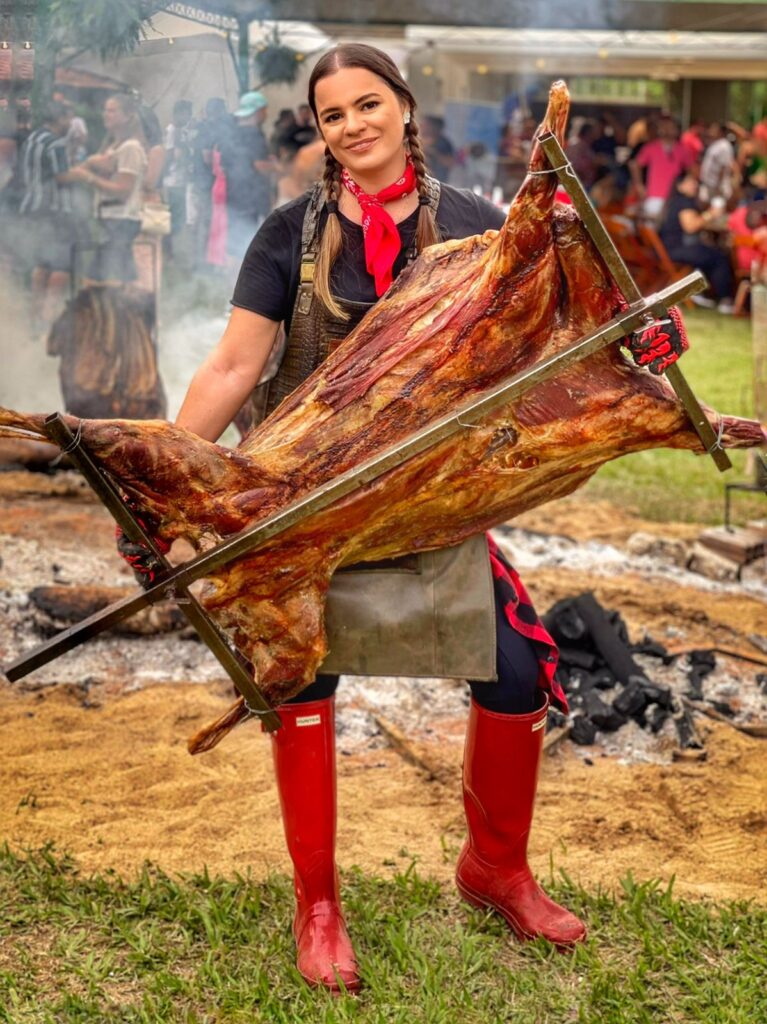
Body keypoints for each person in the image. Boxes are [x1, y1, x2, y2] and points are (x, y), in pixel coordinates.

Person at [119, 44, 681, 994]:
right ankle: (317, 904)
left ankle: (494, 869)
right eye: (332, 115)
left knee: (513, 673)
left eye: (367, 104)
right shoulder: (287, 236)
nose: (352, 126)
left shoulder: (472, 222)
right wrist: (173, 491)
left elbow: (564, 336)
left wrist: (643, 346)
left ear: (404, 106)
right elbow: (231, 368)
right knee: (299, 684)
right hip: (308, 511)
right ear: (322, 130)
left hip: (432, 504)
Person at [69, 93, 147, 284]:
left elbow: (122, 190)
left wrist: (88, 177)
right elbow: (78, 169)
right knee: (122, 277)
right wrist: (90, 163)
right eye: (105, 109)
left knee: (97, 278)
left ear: (127, 116)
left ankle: (111, 311)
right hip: (112, 219)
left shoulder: (131, 148)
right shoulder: (113, 146)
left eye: (112, 110)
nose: (106, 114)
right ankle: (126, 310)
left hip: (122, 219)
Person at [18, 99, 81, 331]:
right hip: (56, 212)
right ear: (60, 119)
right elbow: (62, 176)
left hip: (34, 209)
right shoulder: (55, 144)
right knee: (60, 267)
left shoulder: (32, 139)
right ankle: (48, 319)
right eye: (68, 118)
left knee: (41, 264)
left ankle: (35, 316)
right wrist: (87, 172)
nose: (70, 123)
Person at [658, 170, 734, 312]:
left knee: (709, 252)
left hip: (668, 249)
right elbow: (691, 227)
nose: (694, 185)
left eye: (695, 182)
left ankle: (699, 292)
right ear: (680, 186)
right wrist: (711, 214)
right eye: (690, 182)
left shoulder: (674, 201)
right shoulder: (684, 202)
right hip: (677, 250)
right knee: (719, 257)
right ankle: (724, 299)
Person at [218, 90, 275, 264]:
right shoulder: (254, 135)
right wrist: (279, 168)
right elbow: (260, 166)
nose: (266, 114)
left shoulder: (230, 134)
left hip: (234, 194)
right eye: (264, 110)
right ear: (257, 111)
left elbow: (225, 162)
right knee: (252, 242)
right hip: (253, 198)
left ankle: (231, 282)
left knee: (236, 240)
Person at [629, 115, 693, 221]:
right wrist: (639, 185)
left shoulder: (682, 150)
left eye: (671, 127)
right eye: (665, 127)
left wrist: (686, 183)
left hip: (673, 199)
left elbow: (692, 169)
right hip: (654, 197)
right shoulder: (651, 147)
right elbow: (635, 165)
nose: (667, 130)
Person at [163, 98, 193, 252]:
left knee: (177, 218)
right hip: (172, 181)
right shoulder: (172, 131)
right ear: (179, 113)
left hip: (180, 181)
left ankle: (169, 250)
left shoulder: (182, 132)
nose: (188, 118)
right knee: (172, 218)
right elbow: (169, 155)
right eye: (187, 114)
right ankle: (167, 250)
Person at [699, 122, 736, 203]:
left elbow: (724, 167)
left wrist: (719, 187)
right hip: (709, 185)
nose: (711, 131)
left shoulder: (724, 146)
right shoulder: (715, 144)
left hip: (717, 187)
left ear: (720, 132)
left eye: (714, 129)